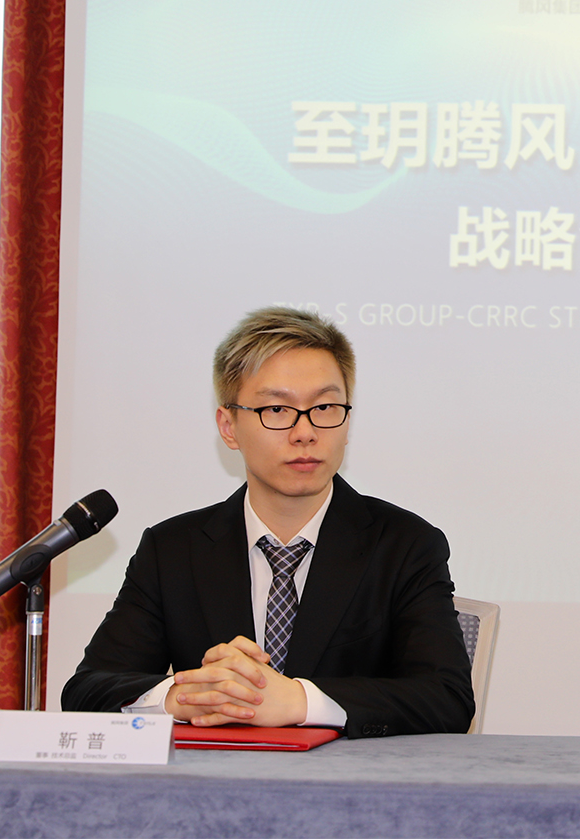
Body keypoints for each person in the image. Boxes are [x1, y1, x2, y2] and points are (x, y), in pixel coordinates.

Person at [62, 307, 474, 737]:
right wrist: (184, 695)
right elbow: (87, 690)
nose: (305, 432)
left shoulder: (405, 545)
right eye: (277, 409)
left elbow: (447, 698)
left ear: (347, 420)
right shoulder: (172, 550)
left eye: (325, 406)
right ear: (229, 427)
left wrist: (299, 700)